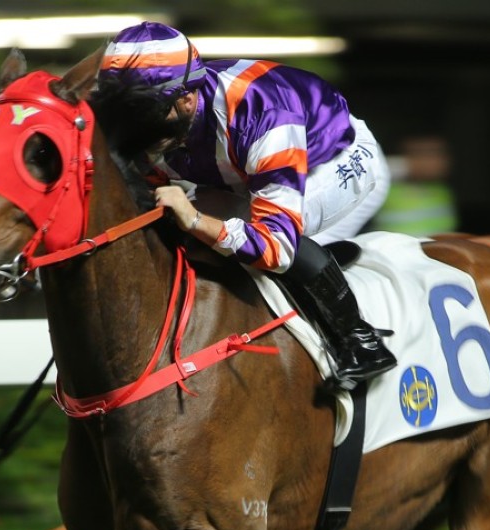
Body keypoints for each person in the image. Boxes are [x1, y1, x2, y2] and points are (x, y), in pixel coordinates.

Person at [96, 21, 396, 389]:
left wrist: (193, 219)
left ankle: (360, 340)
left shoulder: (262, 115)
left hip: (332, 159)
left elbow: (275, 247)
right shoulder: (162, 115)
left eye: (141, 114)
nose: (130, 128)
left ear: (186, 98)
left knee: (249, 237)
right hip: (243, 171)